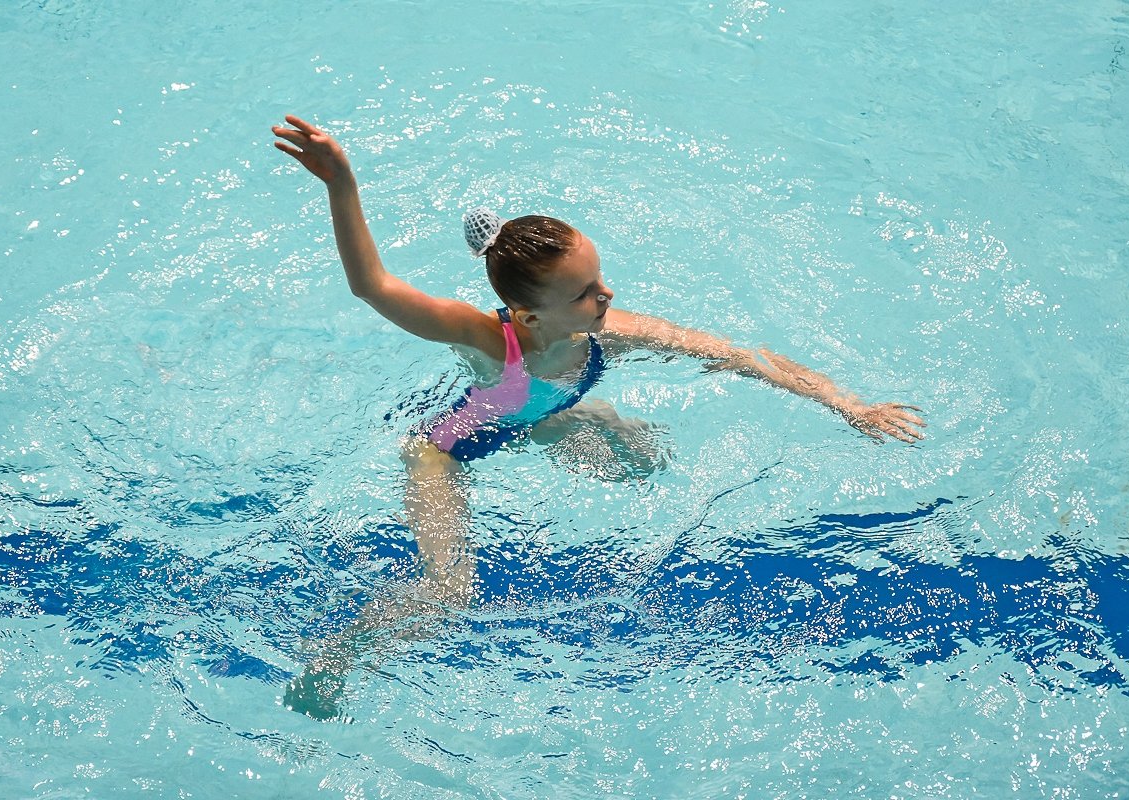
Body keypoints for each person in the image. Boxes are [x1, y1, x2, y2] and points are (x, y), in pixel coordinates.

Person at [272, 114, 925, 718]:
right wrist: (342, 185)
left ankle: (577, 429)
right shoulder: (486, 337)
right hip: (447, 450)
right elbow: (374, 286)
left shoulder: (605, 332)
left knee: (645, 458)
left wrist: (848, 405)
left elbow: (736, 355)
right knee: (450, 593)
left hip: (535, 416)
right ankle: (337, 655)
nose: (607, 294)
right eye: (586, 293)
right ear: (531, 315)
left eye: (601, 278)